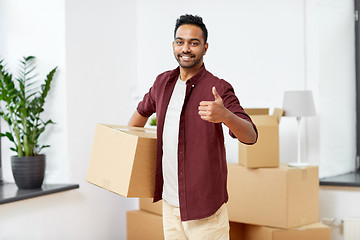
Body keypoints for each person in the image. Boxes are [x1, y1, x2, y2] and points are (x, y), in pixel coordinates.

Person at [128, 14, 257, 240]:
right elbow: (139, 116)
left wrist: (225, 116)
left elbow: (251, 136)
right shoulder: (162, 83)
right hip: (170, 205)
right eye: (180, 42)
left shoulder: (219, 88)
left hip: (205, 211)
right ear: (173, 45)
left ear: (205, 48)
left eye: (193, 43)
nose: (185, 48)